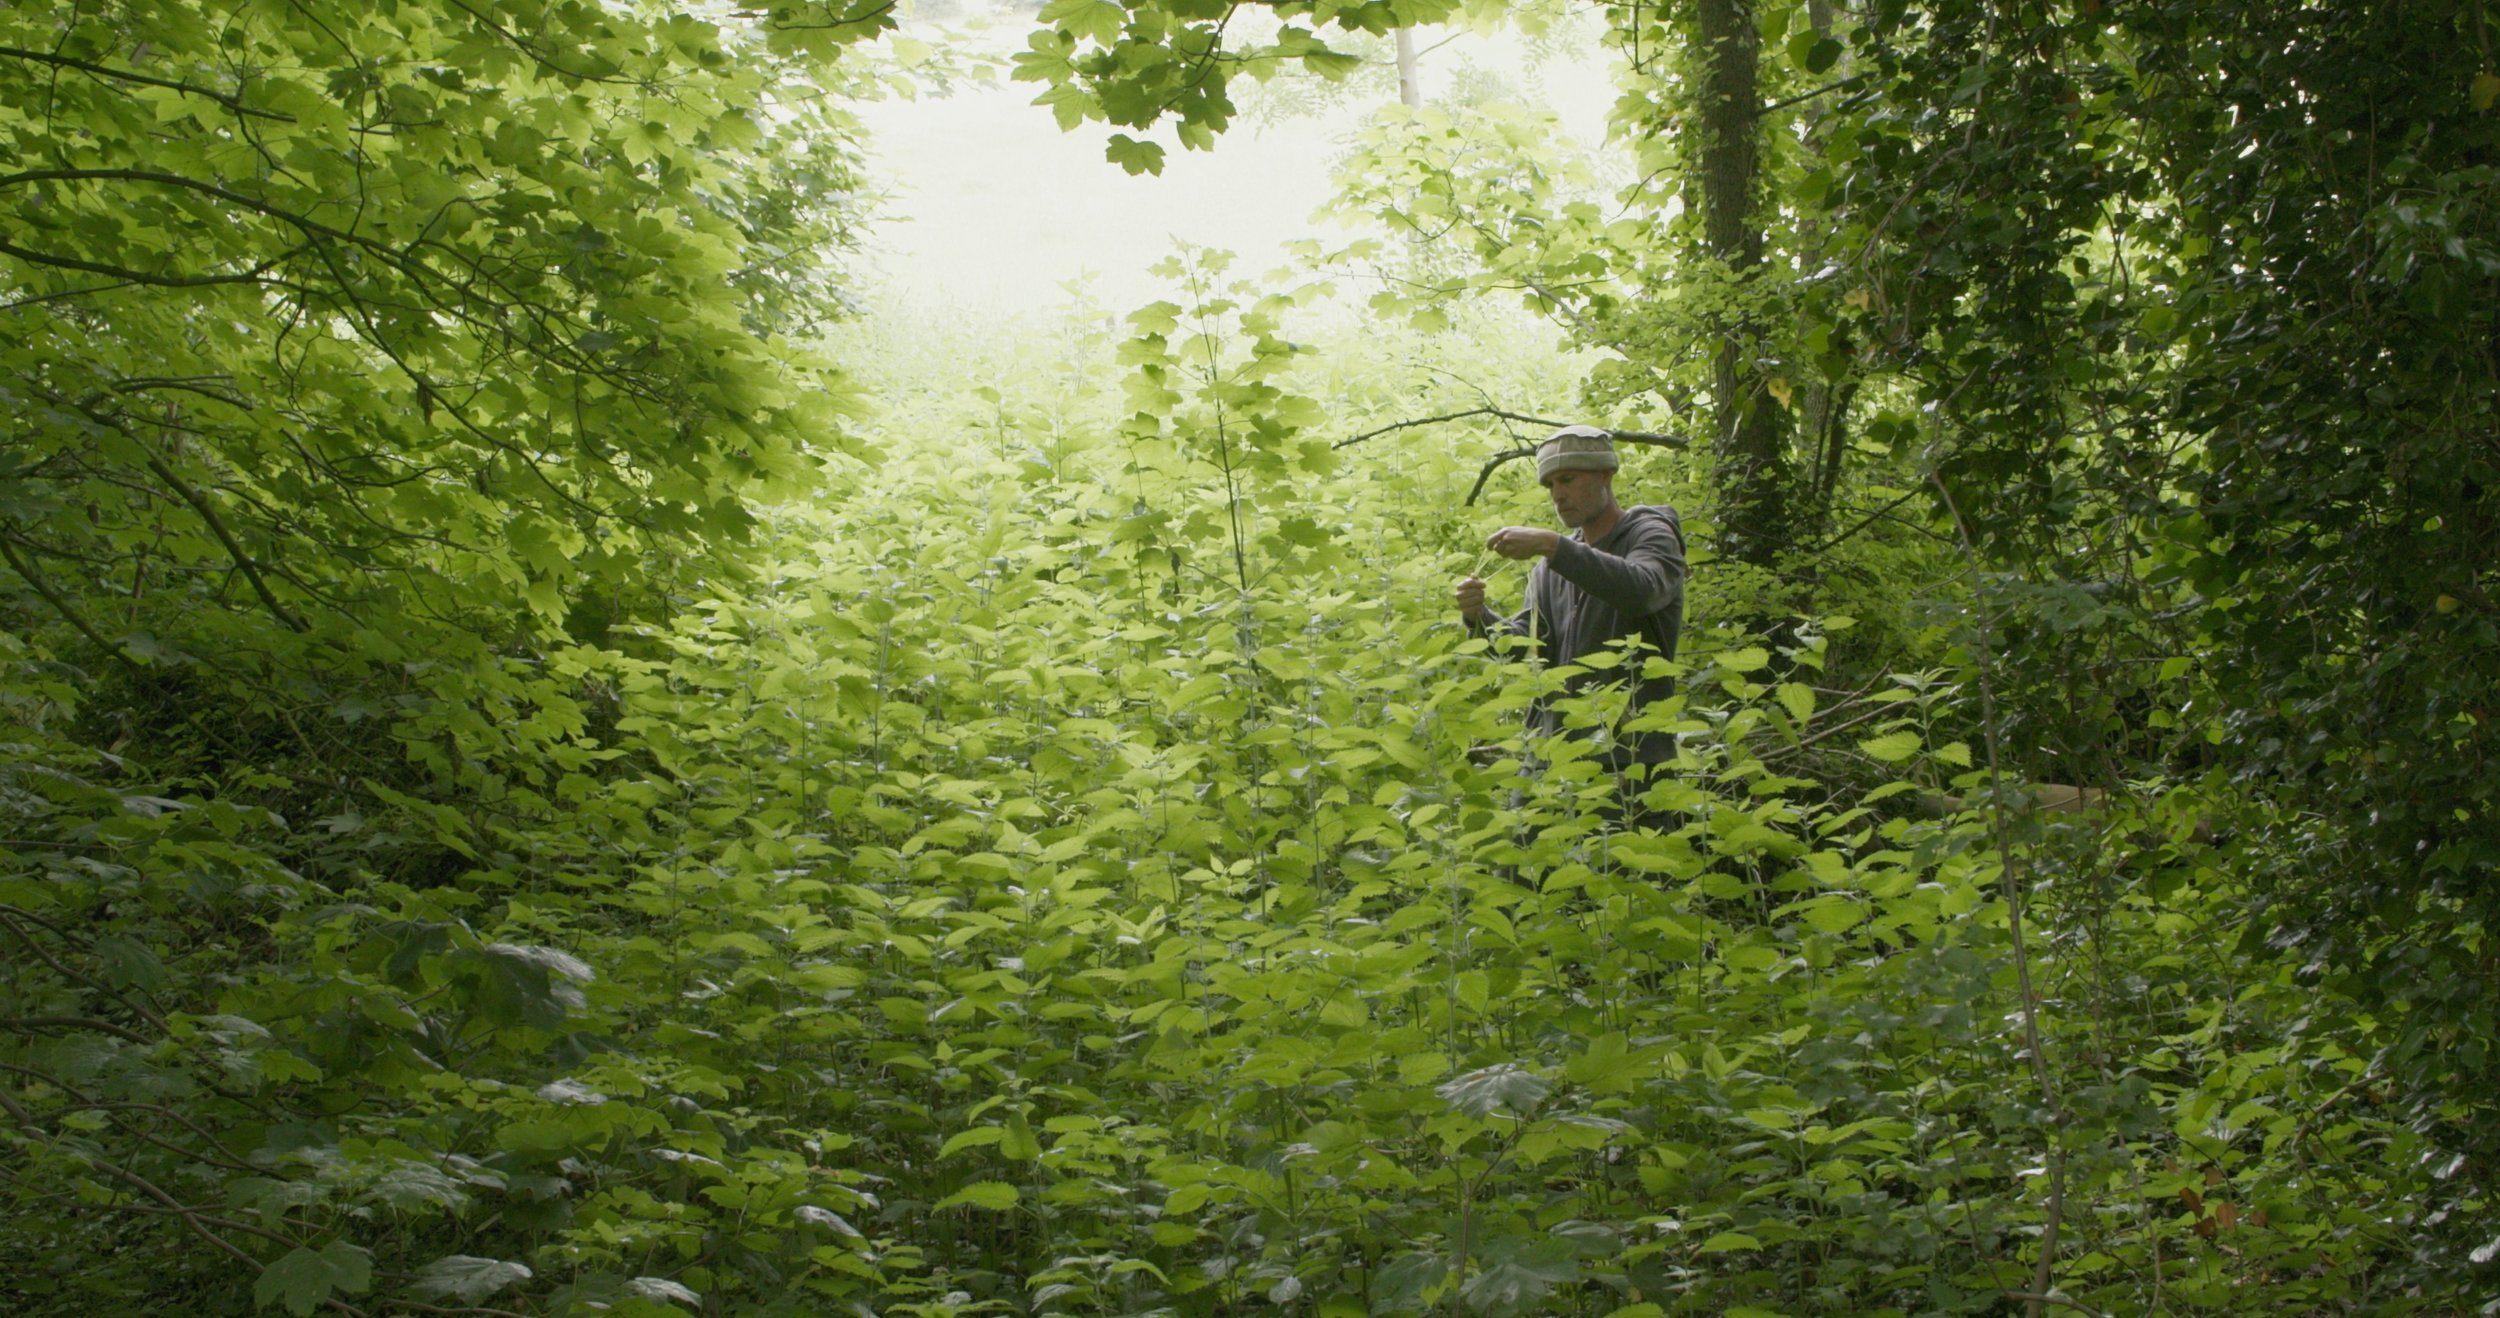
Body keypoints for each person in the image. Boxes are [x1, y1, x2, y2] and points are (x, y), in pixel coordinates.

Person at [1455, 426, 1688, 769]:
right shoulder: (1550, 568)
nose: (1557, 494)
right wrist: (1479, 617)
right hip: (1552, 757)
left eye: (1567, 479)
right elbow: (1529, 651)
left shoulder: (1651, 534)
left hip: (1630, 757)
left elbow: (1643, 590)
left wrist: (1553, 545)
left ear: (1606, 476)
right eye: (1550, 485)